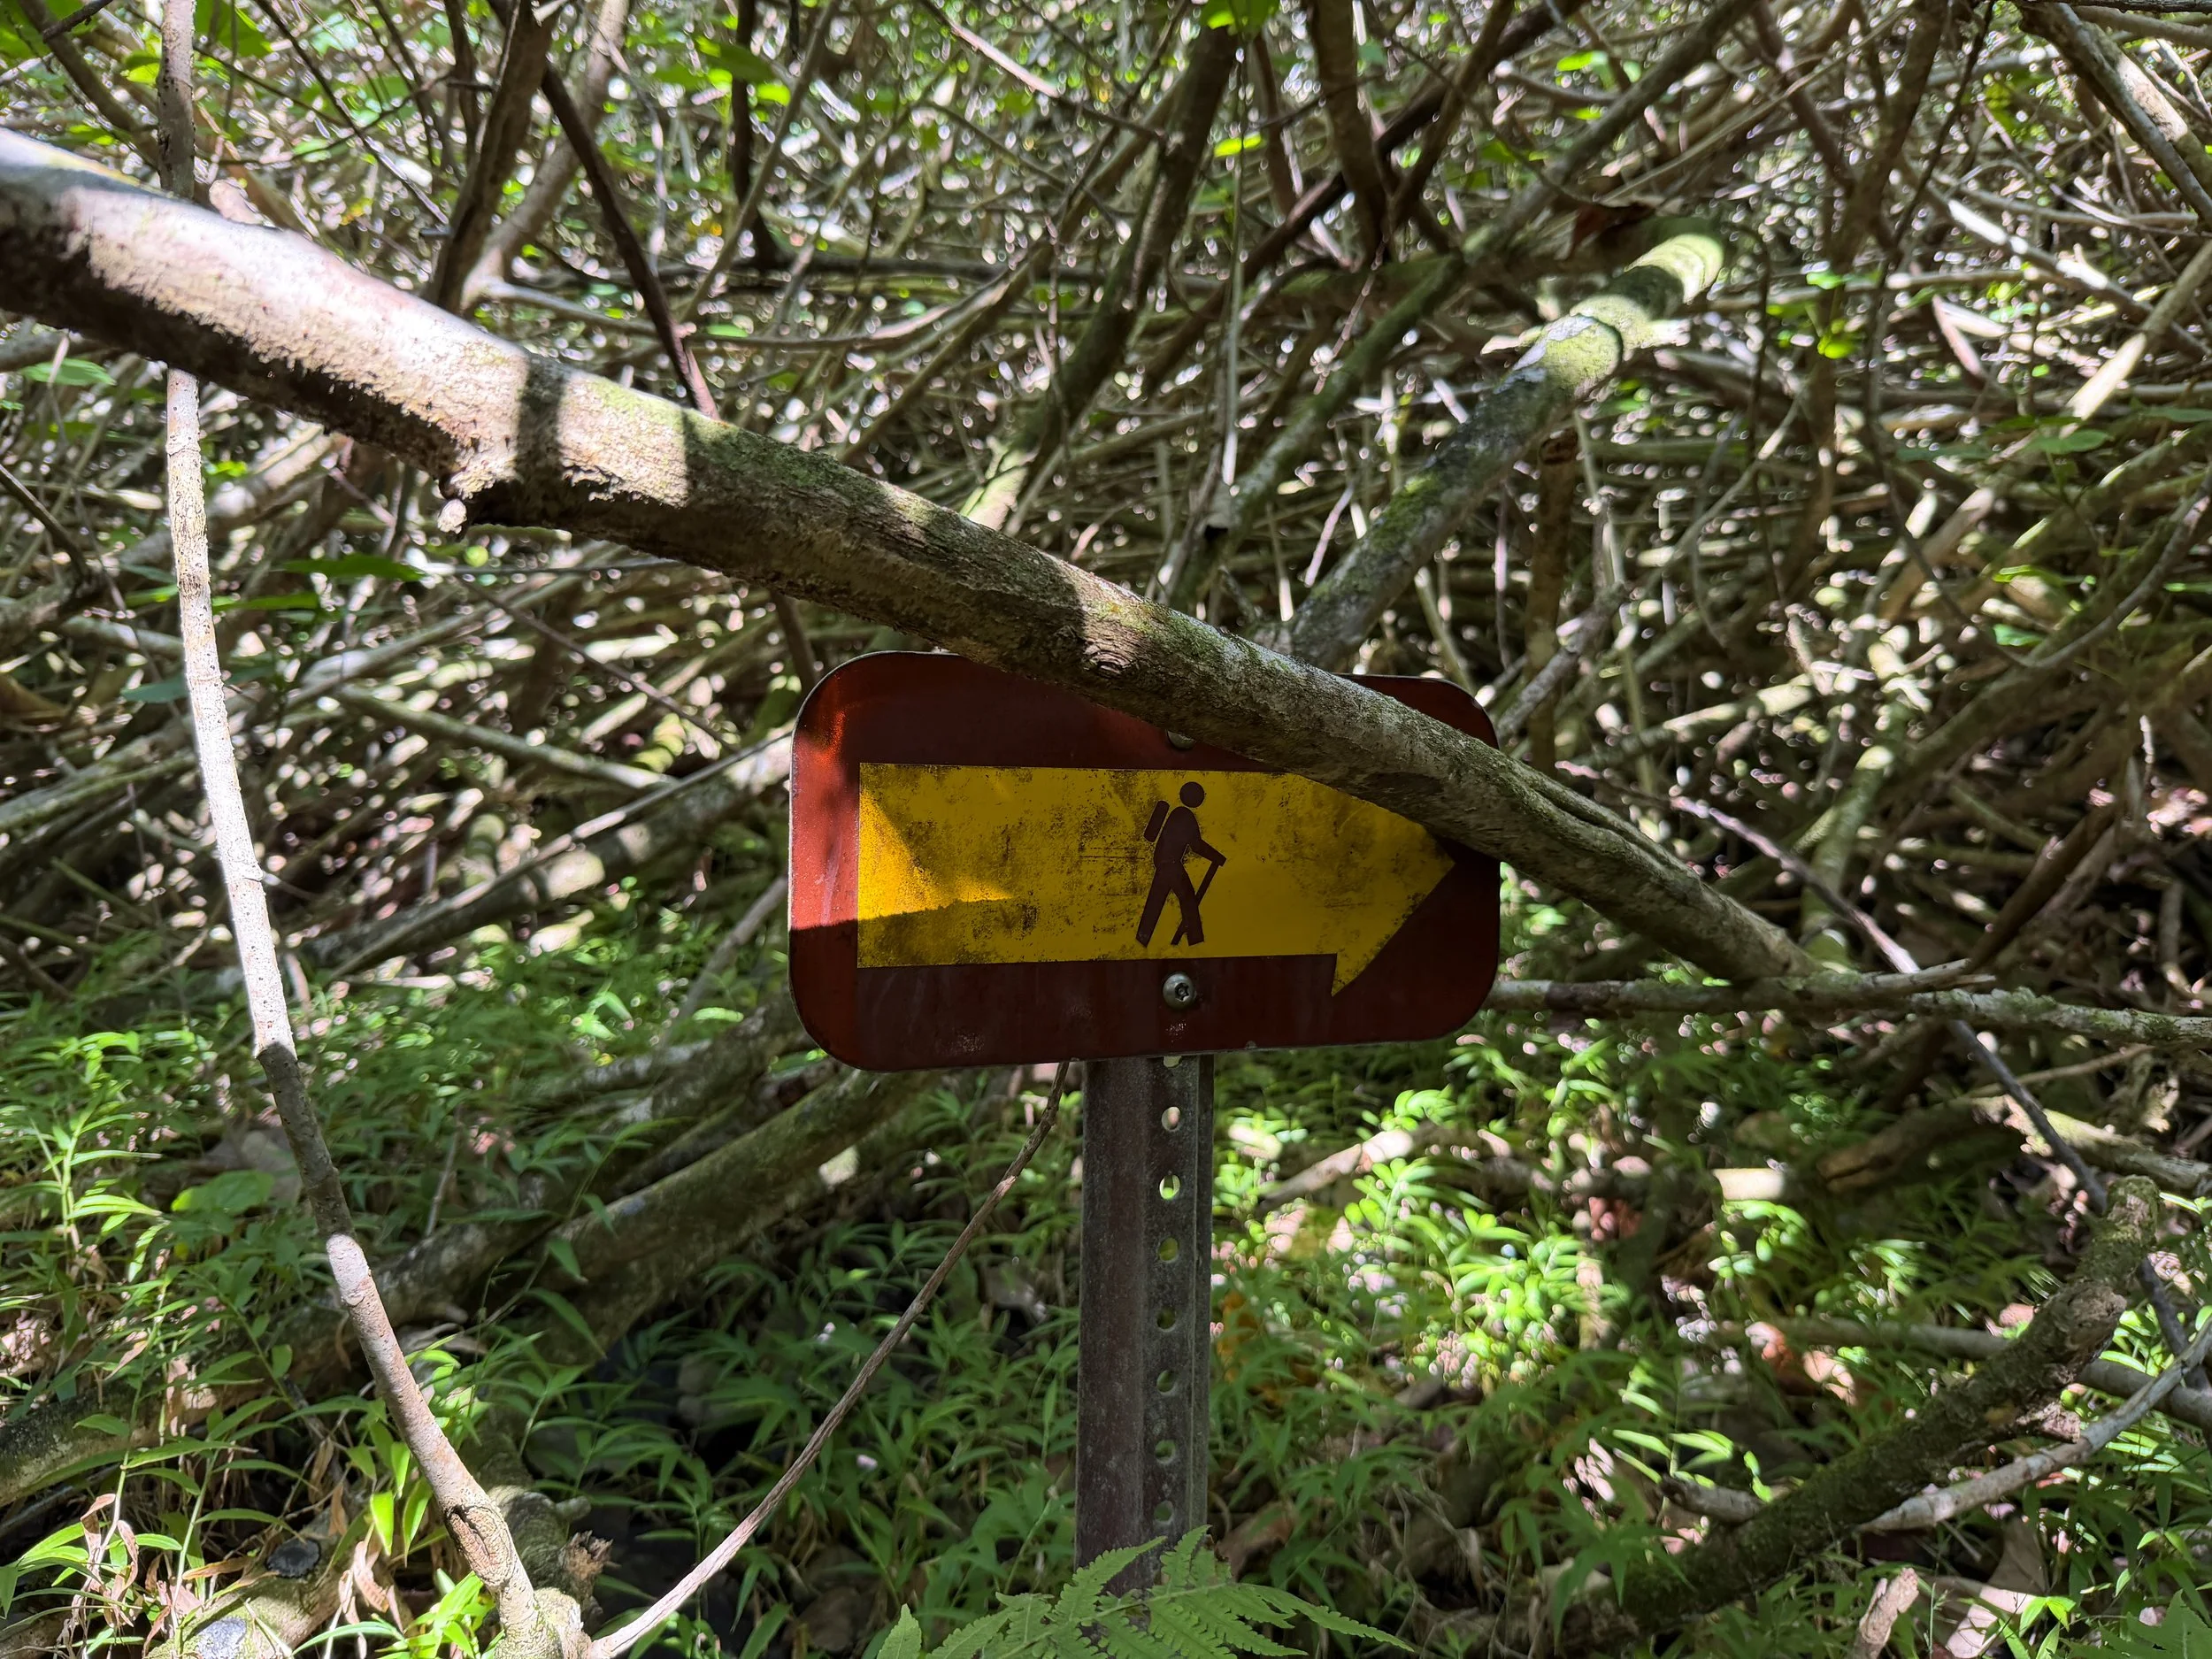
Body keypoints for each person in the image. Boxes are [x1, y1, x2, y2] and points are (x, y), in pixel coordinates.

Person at [1136, 781, 1225, 947]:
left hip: (1163, 864)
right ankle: (1196, 940)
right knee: (1188, 898)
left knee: (1155, 902)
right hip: (1171, 865)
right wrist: (1218, 857)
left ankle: (1142, 939)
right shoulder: (1186, 816)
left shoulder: (1177, 813)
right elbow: (1196, 845)